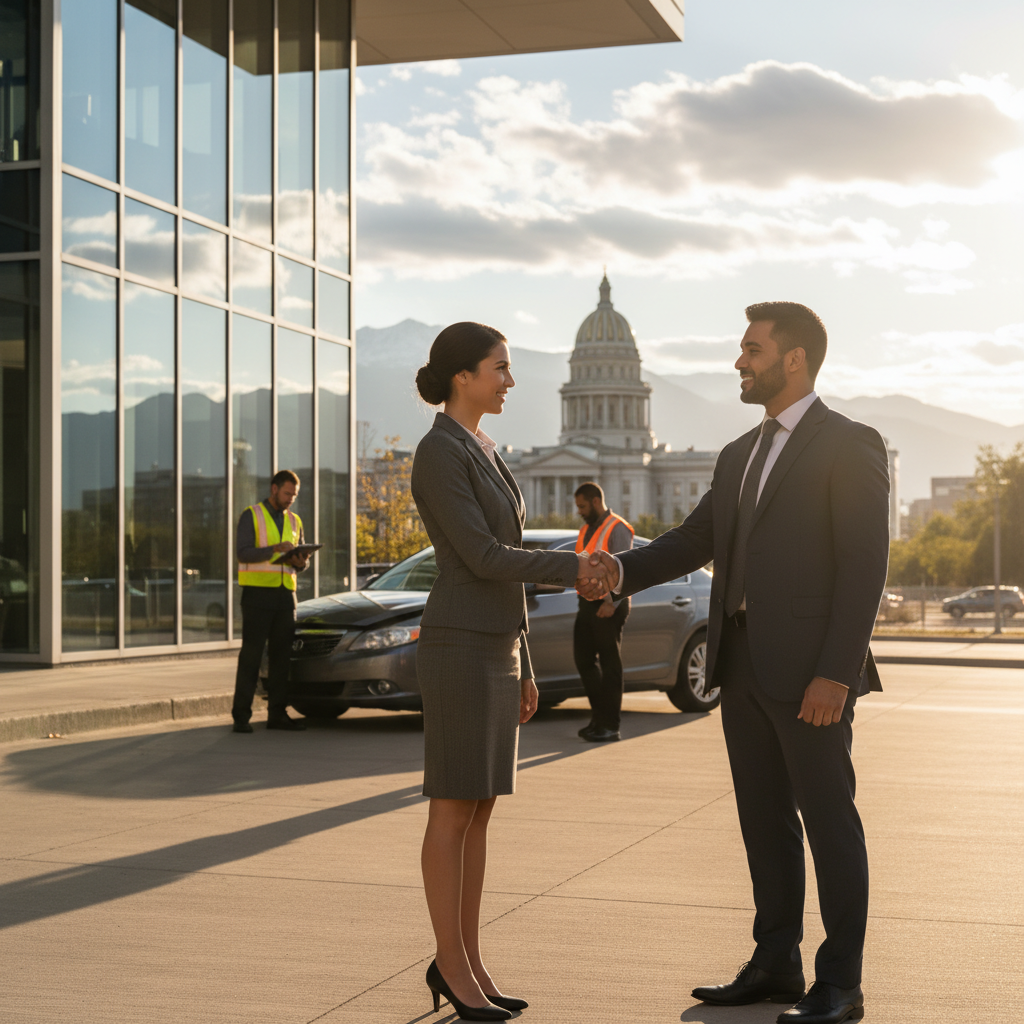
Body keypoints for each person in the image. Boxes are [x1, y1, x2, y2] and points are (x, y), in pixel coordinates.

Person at [581, 302, 889, 1024]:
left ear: (794, 360)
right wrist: (616, 571)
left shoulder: (851, 443)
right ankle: (775, 961)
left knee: (829, 822)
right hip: (741, 661)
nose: (738, 361)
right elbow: (690, 542)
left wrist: (837, 673)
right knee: (764, 821)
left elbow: (865, 568)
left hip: (814, 669)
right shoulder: (736, 454)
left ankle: (841, 982)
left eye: (751, 349)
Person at [411, 321, 604, 1022]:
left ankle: (466, 958)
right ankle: (452, 964)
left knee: (481, 811)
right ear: (464, 375)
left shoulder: (483, 449)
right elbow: (484, 556)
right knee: (453, 808)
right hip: (460, 644)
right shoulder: (439, 452)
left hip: (495, 647)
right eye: (501, 367)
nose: (510, 380)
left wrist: (522, 656)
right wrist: (574, 566)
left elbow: (504, 557)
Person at [231, 469, 311, 733]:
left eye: (294, 495)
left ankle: (277, 714)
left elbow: (298, 562)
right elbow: (243, 554)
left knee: (282, 659)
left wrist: (302, 562)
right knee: (251, 657)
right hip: (256, 596)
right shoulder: (251, 515)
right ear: (274, 489)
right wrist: (273, 550)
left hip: (286, 596)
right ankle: (241, 716)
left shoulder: (295, 520)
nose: (291, 499)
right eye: (288, 493)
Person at [572, 481, 634, 742]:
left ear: (596, 501)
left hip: (610, 604)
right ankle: (599, 719)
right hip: (587, 602)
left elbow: (625, 569)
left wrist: (612, 603)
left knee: (610, 665)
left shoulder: (617, 527)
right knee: (583, 659)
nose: (580, 511)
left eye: (583, 506)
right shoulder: (586, 528)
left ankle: (610, 725)